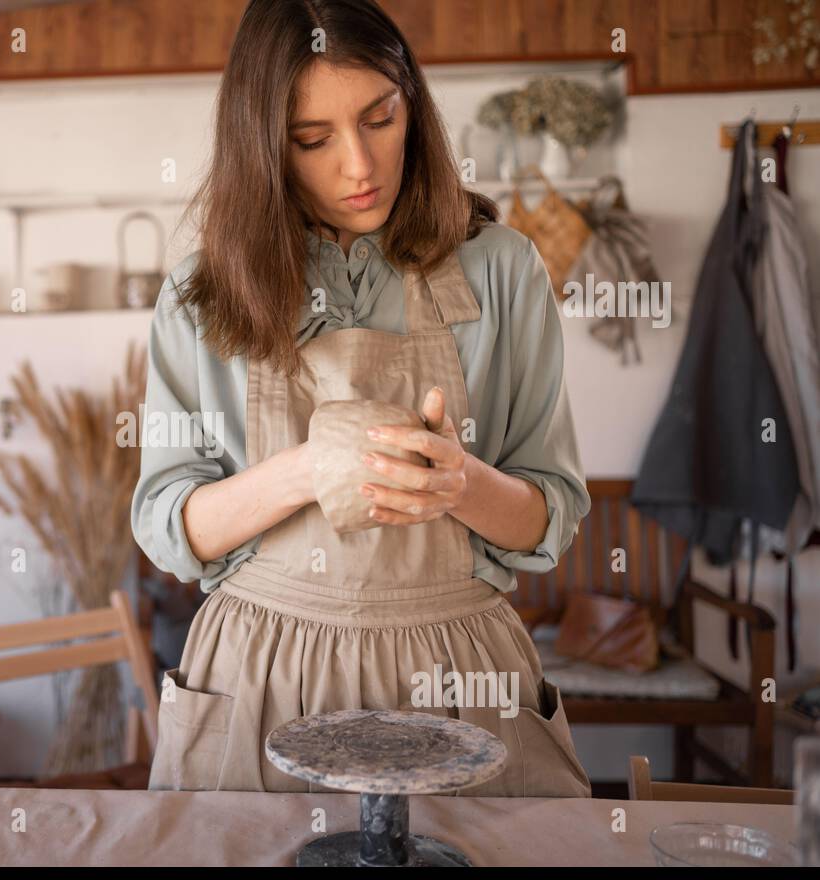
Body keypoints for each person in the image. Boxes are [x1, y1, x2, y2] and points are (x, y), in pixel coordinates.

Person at [131, 0, 593, 797]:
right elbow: (170, 525)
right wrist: (307, 469)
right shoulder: (201, 293)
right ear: (263, 146)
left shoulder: (504, 269)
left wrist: (461, 483)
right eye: (312, 140)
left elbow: (550, 515)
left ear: (411, 100)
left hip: (459, 672)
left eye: (380, 117)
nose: (360, 165)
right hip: (263, 669)